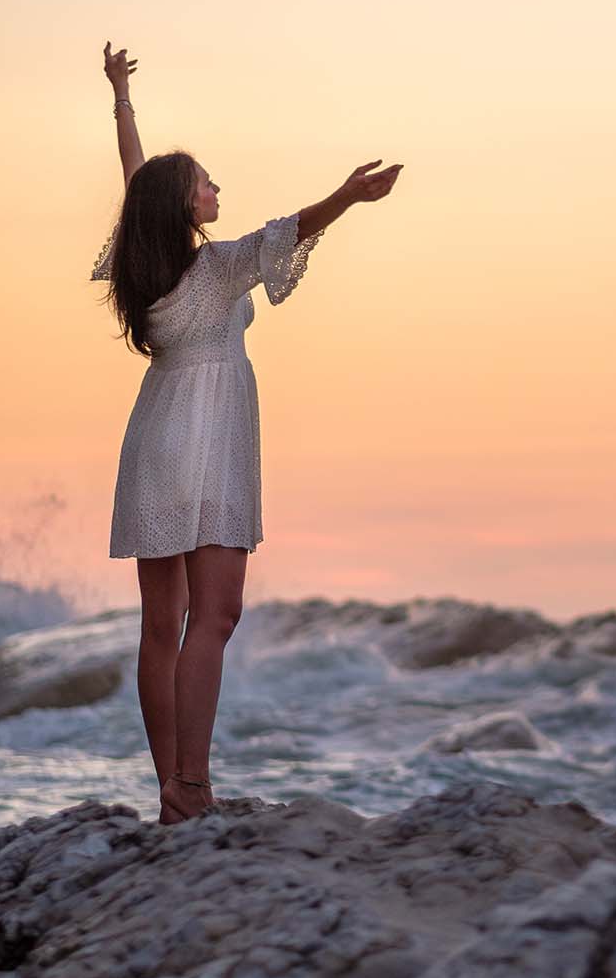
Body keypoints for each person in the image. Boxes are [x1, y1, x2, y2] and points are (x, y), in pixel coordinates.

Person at [91, 41, 402, 824]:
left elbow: (136, 178)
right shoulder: (216, 268)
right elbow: (286, 230)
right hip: (205, 440)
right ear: (184, 205)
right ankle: (194, 788)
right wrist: (348, 195)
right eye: (205, 182)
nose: (216, 187)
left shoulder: (145, 261)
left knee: (162, 627)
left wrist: (122, 98)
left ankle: (173, 791)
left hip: (156, 437)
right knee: (216, 615)